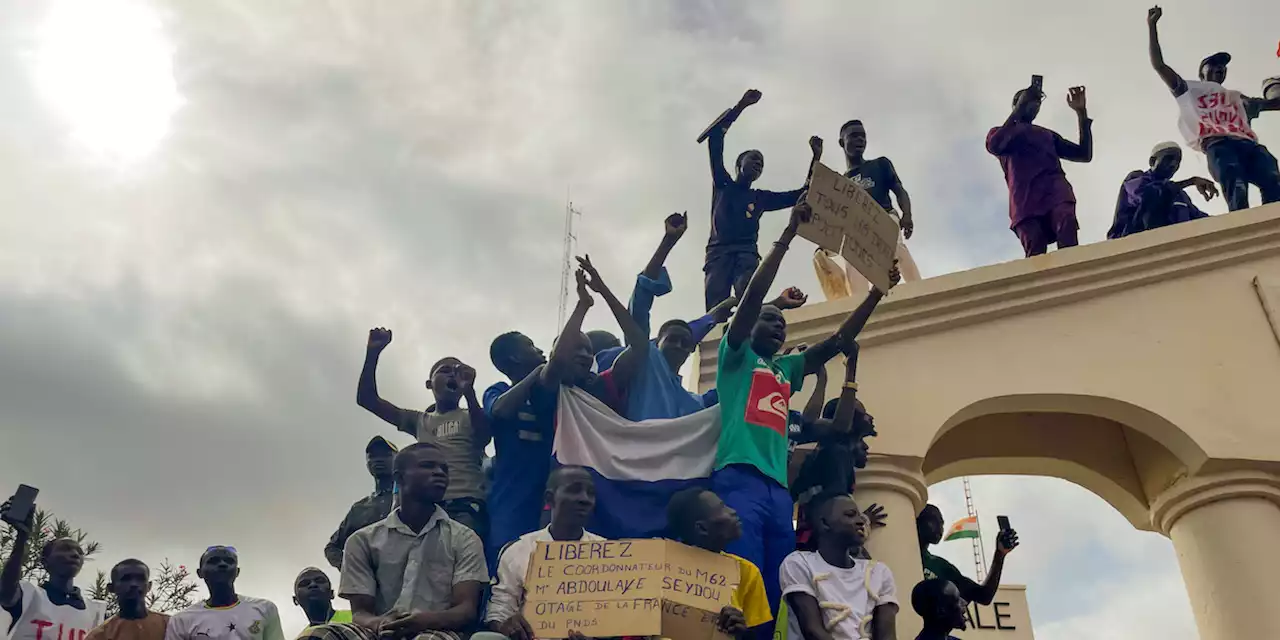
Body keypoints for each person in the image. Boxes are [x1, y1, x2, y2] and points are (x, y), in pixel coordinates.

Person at [713, 194, 899, 619]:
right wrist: (789, 232)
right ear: (749, 323)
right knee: (741, 577)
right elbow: (755, 295)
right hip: (738, 477)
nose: (778, 328)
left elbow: (835, 343)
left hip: (778, 492)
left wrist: (874, 294)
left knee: (779, 584)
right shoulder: (737, 357)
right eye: (769, 320)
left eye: (782, 325)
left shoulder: (785, 370)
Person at [301, 442, 488, 640]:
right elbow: (360, 613)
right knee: (317, 635)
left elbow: (466, 610)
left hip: (439, 631)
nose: (439, 473)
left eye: (444, 469)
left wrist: (423, 621)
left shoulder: (464, 538)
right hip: (378, 632)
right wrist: (380, 623)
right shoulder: (362, 541)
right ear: (399, 477)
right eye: (428, 466)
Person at [357, 329, 490, 537]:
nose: (452, 375)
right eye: (445, 370)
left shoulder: (470, 415)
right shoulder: (420, 420)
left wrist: (470, 393)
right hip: (426, 507)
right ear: (429, 384)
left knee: (462, 562)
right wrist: (373, 354)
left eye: (457, 371)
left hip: (466, 507)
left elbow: (484, 437)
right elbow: (367, 399)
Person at [1147, 6, 1280, 211]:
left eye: (1222, 66)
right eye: (1213, 65)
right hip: (1218, 143)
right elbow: (1159, 65)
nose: (1219, 68)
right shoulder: (1190, 89)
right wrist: (1152, 26)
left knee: (1270, 172)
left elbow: (1270, 104)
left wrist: (1272, 90)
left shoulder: (1236, 97)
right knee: (1234, 179)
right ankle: (1241, 221)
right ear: (1202, 72)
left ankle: (1273, 219)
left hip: (1248, 144)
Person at [703, 88, 823, 311]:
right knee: (715, 308)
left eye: (761, 164)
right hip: (718, 253)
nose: (758, 164)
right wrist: (742, 105)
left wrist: (816, 157)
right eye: (753, 159)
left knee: (748, 294)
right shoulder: (723, 184)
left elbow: (803, 193)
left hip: (746, 253)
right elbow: (716, 139)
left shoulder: (760, 198)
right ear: (739, 164)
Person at [484, 467, 603, 640]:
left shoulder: (609, 554)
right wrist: (506, 624)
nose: (585, 499)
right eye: (574, 490)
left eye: (590, 493)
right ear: (550, 498)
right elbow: (499, 610)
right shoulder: (518, 550)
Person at [791, 343, 886, 552]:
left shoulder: (820, 457)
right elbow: (835, 511)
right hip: (824, 548)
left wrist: (821, 377)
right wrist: (863, 521)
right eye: (861, 412)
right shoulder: (837, 453)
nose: (870, 418)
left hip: (808, 544)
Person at [986, 82, 1093, 257]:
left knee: (1066, 224)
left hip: (1055, 190)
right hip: (1025, 198)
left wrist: (1081, 113)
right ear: (1018, 103)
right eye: (1030, 100)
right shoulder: (1002, 133)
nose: (1035, 105)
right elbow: (995, 145)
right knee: (1034, 246)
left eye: (1037, 102)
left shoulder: (1046, 134)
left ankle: (1073, 272)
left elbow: (1083, 154)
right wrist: (1018, 109)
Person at [780, 493, 898, 640]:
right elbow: (812, 631)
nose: (861, 521)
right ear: (824, 523)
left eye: (860, 515)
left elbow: (887, 636)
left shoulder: (879, 572)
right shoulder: (799, 563)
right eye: (850, 515)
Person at [483, 330, 554, 568]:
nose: (540, 351)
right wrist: (537, 372)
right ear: (514, 357)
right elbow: (500, 410)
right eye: (531, 346)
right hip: (511, 497)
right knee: (507, 562)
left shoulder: (551, 391)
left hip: (548, 494)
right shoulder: (498, 390)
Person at [664, 488, 772, 640]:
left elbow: (756, 634)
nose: (733, 511)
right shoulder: (661, 570)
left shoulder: (747, 572)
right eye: (722, 508)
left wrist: (742, 630)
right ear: (702, 528)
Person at [832, 120, 922, 292]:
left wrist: (907, 214)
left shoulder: (880, 164)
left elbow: (899, 189)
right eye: (853, 136)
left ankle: (918, 288)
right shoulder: (840, 181)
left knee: (894, 247)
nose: (860, 140)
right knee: (852, 256)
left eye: (863, 136)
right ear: (841, 142)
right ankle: (859, 302)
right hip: (857, 226)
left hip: (884, 215)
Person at [1, 500, 106, 640]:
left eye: (79, 552)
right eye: (65, 549)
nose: (75, 554)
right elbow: (5, 592)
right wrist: (22, 538)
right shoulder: (29, 595)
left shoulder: (95, 611)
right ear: (45, 561)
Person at [165, 546, 284, 640]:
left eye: (229, 561)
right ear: (200, 573)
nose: (222, 564)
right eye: (213, 561)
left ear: (237, 571)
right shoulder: (181, 621)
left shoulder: (265, 609)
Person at [1108, 142, 1217, 239]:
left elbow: (1198, 218)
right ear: (1152, 161)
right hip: (1133, 244)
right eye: (1168, 159)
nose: (1173, 164)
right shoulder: (1136, 178)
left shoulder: (1179, 195)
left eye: (1177, 161)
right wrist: (1191, 181)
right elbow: (1149, 195)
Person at [915, 505, 1018, 606]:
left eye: (942, 523)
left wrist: (999, 554)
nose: (940, 528)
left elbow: (984, 596)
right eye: (934, 520)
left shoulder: (940, 566)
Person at [324, 436, 399, 570]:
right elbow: (332, 548)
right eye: (372, 456)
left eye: (386, 455)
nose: (378, 459)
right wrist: (353, 570)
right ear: (367, 464)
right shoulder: (359, 509)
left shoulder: (412, 498)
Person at [85, 560, 169, 640]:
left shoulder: (169, 625)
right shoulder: (100, 635)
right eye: (126, 579)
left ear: (149, 586)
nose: (134, 584)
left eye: (141, 579)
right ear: (111, 588)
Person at [293, 568, 351, 638]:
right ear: (296, 600)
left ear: (332, 594)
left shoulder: (355, 618)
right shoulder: (303, 638)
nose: (313, 584)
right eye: (304, 583)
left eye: (320, 581)